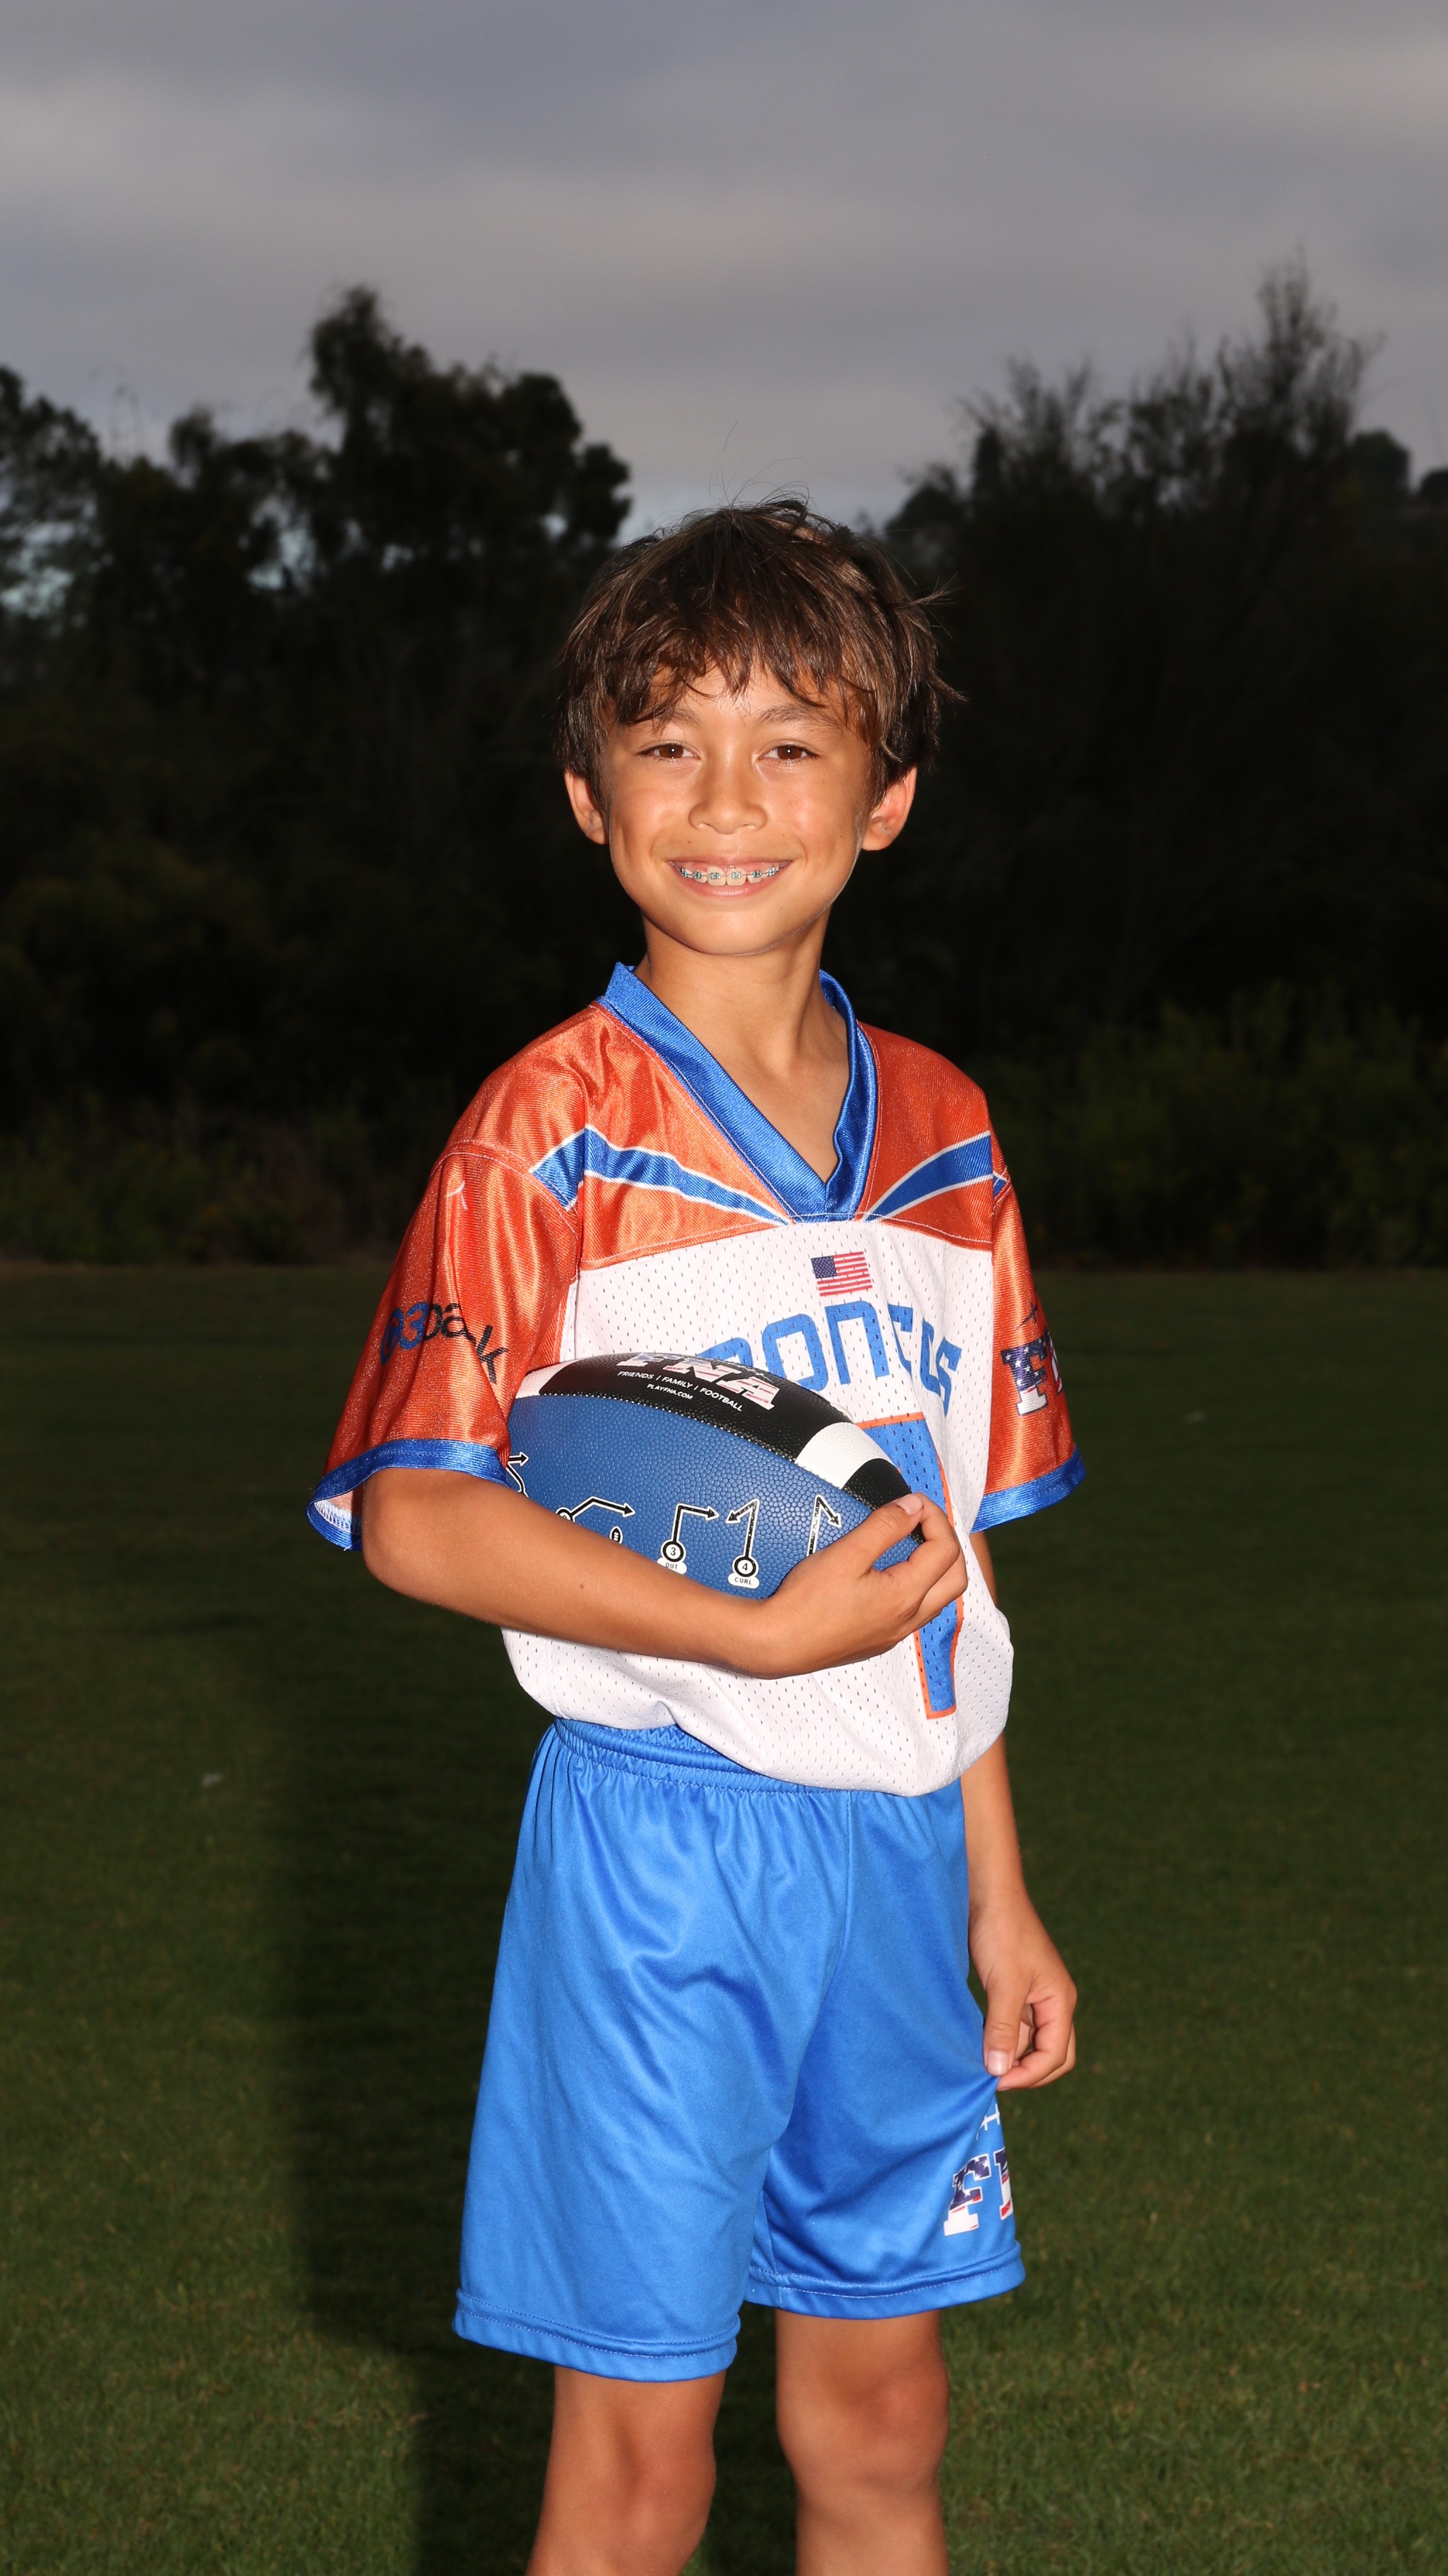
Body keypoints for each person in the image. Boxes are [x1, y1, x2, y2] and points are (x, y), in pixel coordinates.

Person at [307, 502, 1084, 2576]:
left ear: (886, 797)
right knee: (641, 2464)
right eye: (667, 743)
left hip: (900, 1858)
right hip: (662, 1861)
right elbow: (415, 1521)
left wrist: (999, 1889)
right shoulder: (544, 1130)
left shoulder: (949, 1132)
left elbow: (944, 1564)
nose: (727, 801)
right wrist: (737, 1635)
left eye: (791, 745)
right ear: (590, 794)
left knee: (884, 2424)